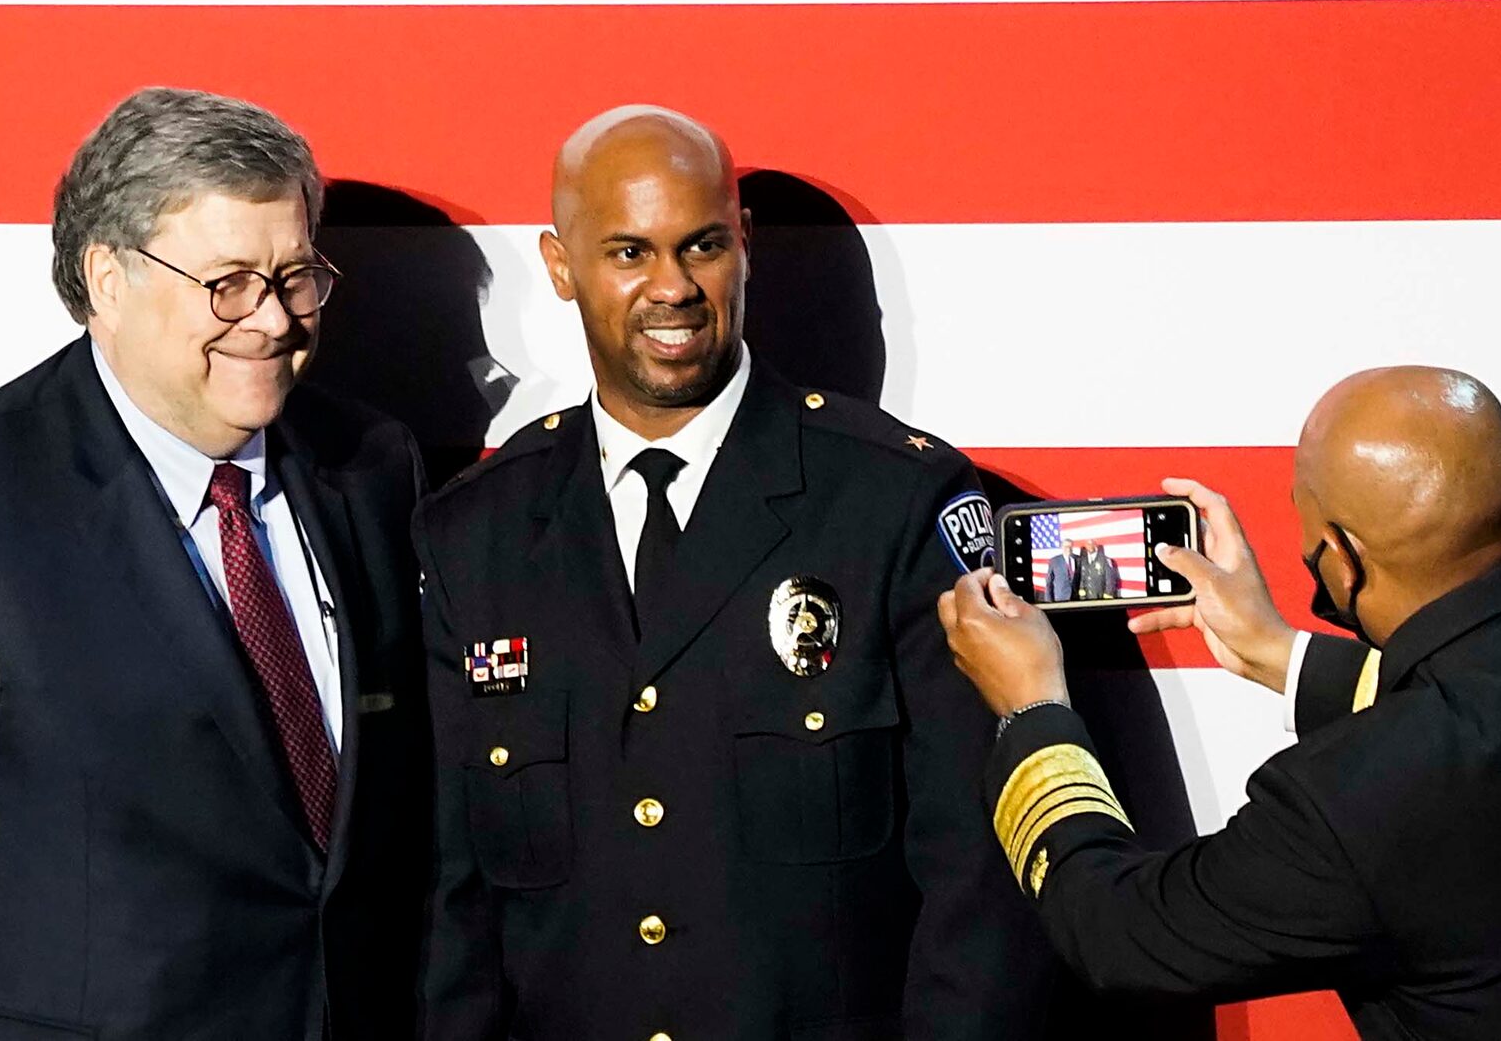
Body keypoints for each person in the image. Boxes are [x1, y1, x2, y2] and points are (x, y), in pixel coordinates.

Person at [0, 88, 430, 1041]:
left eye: (296, 278)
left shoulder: (373, 466)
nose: (270, 321)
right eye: (227, 284)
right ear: (108, 277)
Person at [417, 106, 1052, 1041]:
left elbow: (981, 886)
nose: (672, 288)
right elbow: (453, 908)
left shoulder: (895, 502)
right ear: (561, 266)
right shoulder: (476, 534)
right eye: (628, 253)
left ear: (744, 244)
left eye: (702, 246)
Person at [938, 365, 1501, 1039]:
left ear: (1340, 562)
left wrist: (1034, 709)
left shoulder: (1340, 806)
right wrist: (1279, 655)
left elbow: (1119, 930)